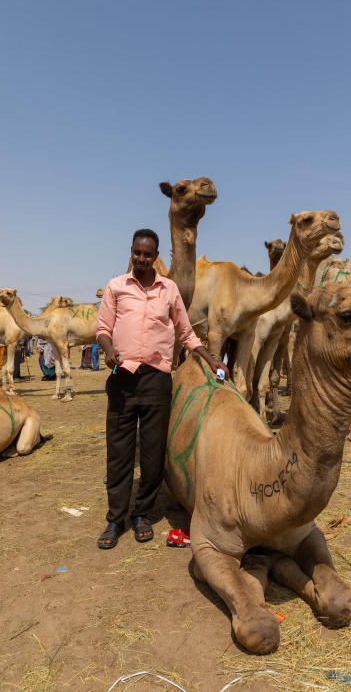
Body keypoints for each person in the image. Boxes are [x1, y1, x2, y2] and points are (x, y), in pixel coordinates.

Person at [96, 228, 229, 550]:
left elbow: (187, 333)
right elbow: (102, 328)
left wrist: (211, 360)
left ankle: (142, 514)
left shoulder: (168, 290)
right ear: (131, 252)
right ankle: (116, 519)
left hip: (157, 380)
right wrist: (107, 347)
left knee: (154, 456)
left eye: (147, 254)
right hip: (122, 377)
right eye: (137, 253)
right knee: (119, 454)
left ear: (155, 256)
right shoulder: (116, 287)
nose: (141, 259)